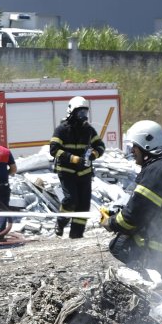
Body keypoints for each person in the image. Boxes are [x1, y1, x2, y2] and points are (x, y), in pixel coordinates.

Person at [102, 120, 162, 286]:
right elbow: (141, 206)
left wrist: (111, 222)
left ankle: (161, 284)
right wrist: (117, 217)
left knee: (120, 245)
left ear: (147, 145)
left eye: (134, 147)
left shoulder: (157, 170)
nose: (132, 151)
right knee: (123, 241)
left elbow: (134, 215)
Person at [49, 96, 106, 238]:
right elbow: (54, 149)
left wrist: (93, 154)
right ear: (72, 112)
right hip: (67, 171)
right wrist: (73, 159)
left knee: (83, 205)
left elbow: (100, 146)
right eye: (80, 112)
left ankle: (76, 234)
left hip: (84, 172)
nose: (83, 116)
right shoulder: (61, 130)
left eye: (85, 112)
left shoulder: (88, 130)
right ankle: (61, 222)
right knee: (71, 200)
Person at [0, 139, 17, 241]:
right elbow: (14, 169)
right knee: (3, 209)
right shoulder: (5, 151)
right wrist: (5, 174)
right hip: (3, 185)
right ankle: (0, 234)